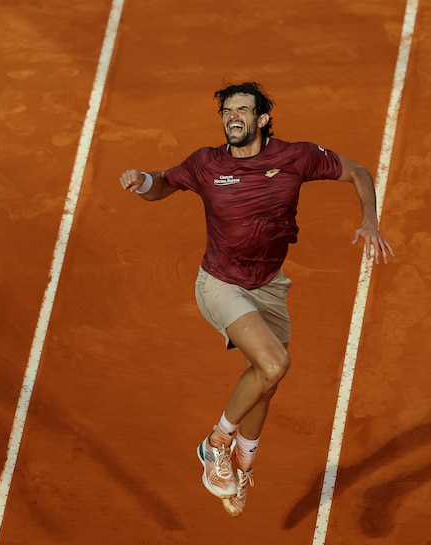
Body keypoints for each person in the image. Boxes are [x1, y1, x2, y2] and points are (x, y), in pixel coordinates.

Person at [118, 82, 395, 517]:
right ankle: (215, 446)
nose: (233, 117)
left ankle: (243, 463)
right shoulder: (206, 164)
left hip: (268, 285)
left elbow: (359, 171)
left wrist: (370, 222)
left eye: (243, 110)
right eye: (228, 111)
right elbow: (164, 184)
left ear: (262, 119)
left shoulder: (295, 157)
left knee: (264, 381)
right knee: (274, 364)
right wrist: (142, 181)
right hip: (220, 284)